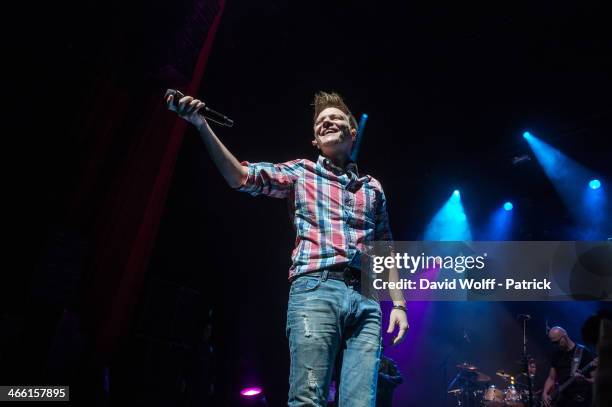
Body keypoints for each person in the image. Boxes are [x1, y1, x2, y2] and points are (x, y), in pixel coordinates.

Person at [166, 91, 408, 406]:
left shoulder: (373, 188)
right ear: (315, 141)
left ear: (352, 132)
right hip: (316, 289)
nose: (327, 122)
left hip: (366, 300)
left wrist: (399, 305)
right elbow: (240, 177)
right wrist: (200, 124)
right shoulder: (301, 171)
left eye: (335, 118)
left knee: (361, 402)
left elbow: (386, 248)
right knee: (309, 399)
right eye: (321, 122)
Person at [542, 326, 597, 407]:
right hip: (561, 400)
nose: (555, 345)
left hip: (580, 401)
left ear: (564, 336)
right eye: (553, 343)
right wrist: (545, 393)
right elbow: (551, 378)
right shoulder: (557, 355)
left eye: (557, 342)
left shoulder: (584, 352)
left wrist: (584, 380)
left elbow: (596, 379)